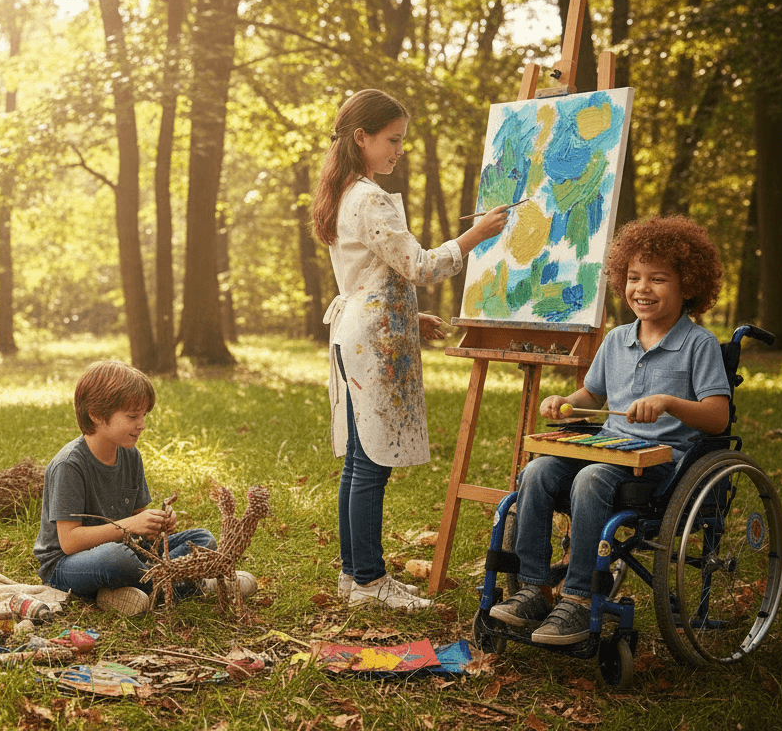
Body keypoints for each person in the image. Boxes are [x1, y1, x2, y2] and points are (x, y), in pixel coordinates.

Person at [312, 89, 511, 610]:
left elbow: (373, 275)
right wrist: (477, 236)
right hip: (370, 343)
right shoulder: (368, 197)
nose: (399, 150)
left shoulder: (346, 192)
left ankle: (356, 577)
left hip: (362, 328)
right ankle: (371, 583)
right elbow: (419, 266)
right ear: (362, 137)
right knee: (371, 464)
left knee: (359, 462)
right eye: (392, 139)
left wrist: (408, 314)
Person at [489, 215, 730, 645]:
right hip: (607, 449)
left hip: (659, 466)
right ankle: (533, 589)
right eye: (634, 277)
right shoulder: (618, 339)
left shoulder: (699, 344)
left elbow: (717, 417)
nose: (643, 288)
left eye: (658, 279)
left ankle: (579, 600)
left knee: (590, 479)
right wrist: (565, 404)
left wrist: (669, 403)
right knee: (537, 472)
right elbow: (592, 395)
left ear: (688, 284)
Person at [33, 360, 256, 616]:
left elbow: (140, 526)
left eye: (143, 416)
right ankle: (192, 585)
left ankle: (125, 595)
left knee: (202, 540)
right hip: (67, 566)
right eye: (132, 416)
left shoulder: (130, 455)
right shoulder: (70, 464)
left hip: (132, 553)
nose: (142, 425)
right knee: (116, 559)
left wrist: (156, 523)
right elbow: (69, 542)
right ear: (96, 415)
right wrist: (131, 525)